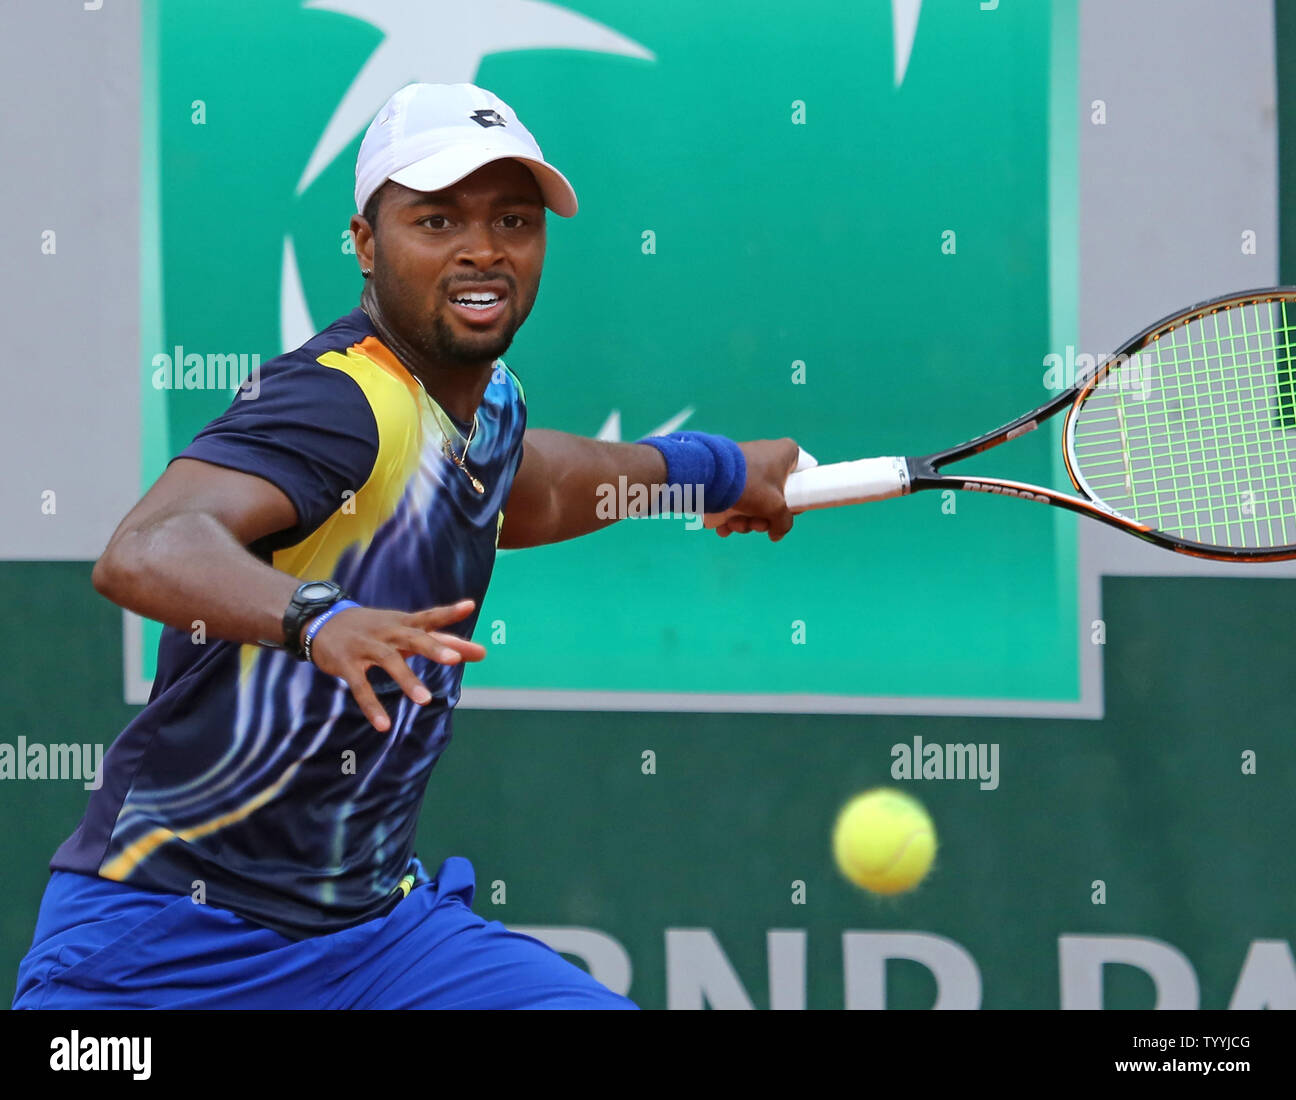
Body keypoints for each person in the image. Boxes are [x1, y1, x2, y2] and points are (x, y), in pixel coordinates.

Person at [12, 82, 797, 1010]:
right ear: (365, 243)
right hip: (168, 947)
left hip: (378, 942)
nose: (483, 249)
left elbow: (532, 487)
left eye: (513, 219)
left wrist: (710, 467)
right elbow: (145, 549)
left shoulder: (489, 399)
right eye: (436, 220)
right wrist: (317, 618)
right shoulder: (340, 401)